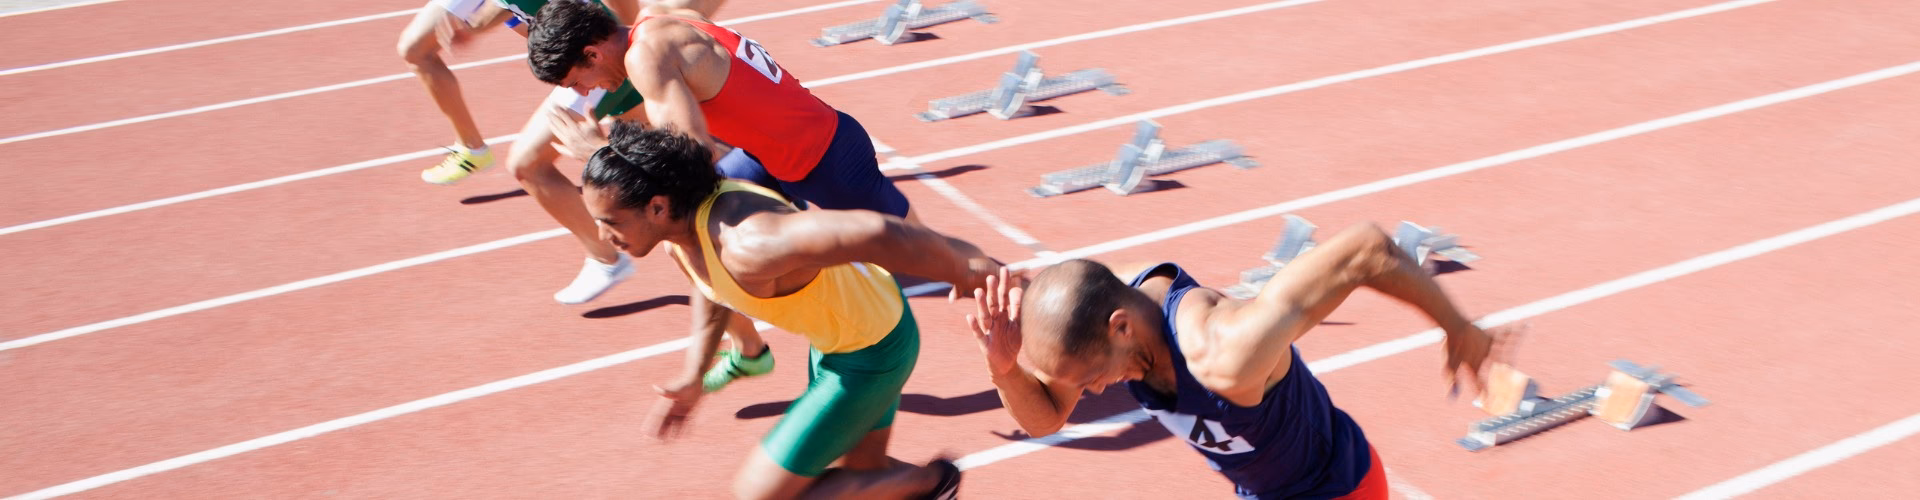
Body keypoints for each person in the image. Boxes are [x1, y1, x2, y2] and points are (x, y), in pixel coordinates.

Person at [582, 125, 993, 499]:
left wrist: (967, 268)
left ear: (656, 207)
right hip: (847, 334)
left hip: (873, 352)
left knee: (759, 496)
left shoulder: (749, 243)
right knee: (865, 475)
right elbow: (711, 289)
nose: (602, 235)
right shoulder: (682, 228)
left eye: (609, 221)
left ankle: (934, 480)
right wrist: (695, 374)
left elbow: (878, 232)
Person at [962, 224, 1509, 499]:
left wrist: (1456, 326)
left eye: (1091, 378)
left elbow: (1365, 248)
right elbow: (1046, 419)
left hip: (1338, 490)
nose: (1096, 393)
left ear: (1121, 327)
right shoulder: (1103, 312)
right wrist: (1005, 368)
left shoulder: (1225, 352)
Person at [527, 0, 922, 228]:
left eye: (577, 80)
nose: (585, 92)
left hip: (826, 162)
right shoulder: (662, 13)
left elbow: (692, 157)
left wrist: (600, 152)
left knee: (932, 258)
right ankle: (748, 343)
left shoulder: (644, 58)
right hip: (768, 156)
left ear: (592, 54)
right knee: (693, 230)